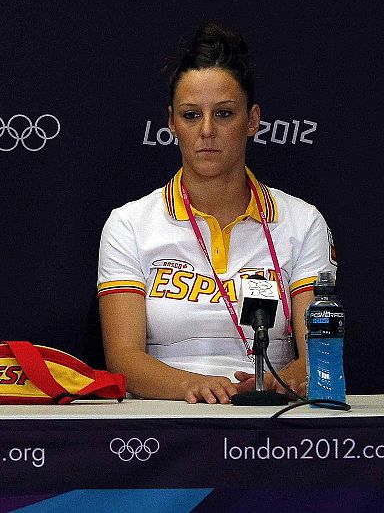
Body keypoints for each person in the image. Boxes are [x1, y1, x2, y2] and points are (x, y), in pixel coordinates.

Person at [98, 23, 332, 403]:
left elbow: (320, 352)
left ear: (252, 121)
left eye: (223, 114)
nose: (207, 130)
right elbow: (123, 358)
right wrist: (194, 386)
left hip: (271, 417)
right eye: (191, 116)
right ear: (172, 122)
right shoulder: (129, 224)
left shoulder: (302, 221)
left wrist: (272, 383)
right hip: (167, 424)